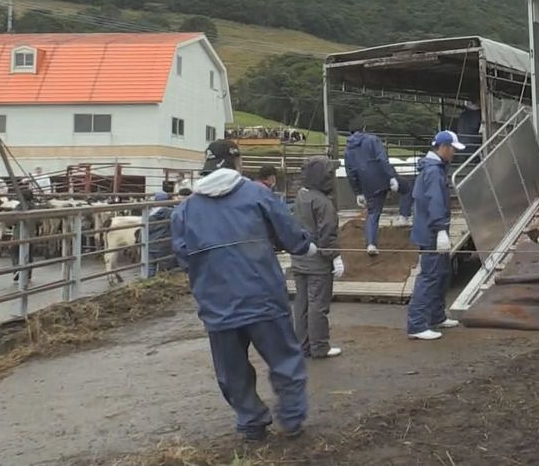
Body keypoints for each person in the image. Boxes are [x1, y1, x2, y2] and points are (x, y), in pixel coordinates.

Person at [171, 140, 319, 443]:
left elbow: (184, 256)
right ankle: (291, 420)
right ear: (236, 163)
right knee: (284, 360)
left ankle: (251, 422)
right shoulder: (256, 193)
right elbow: (288, 231)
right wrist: (305, 245)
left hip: (216, 304)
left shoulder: (185, 210)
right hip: (261, 295)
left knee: (231, 370)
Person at [406, 130, 464, 341]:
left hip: (431, 229)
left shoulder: (435, 168)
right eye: (453, 150)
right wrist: (440, 229)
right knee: (429, 276)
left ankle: (436, 315)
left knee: (441, 273)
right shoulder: (433, 171)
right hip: (431, 231)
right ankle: (417, 324)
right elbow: (434, 201)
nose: (454, 154)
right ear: (444, 147)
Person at [291, 157, 344, 359]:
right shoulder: (323, 202)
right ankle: (320, 346)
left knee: (301, 305)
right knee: (318, 306)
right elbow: (328, 234)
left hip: (300, 259)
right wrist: (335, 257)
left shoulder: (300, 196)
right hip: (318, 263)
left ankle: (302, 346)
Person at [344, 123, 413, 256]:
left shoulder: (348, 149)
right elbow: (382, 159)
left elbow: (350, 172)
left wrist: (358, 192)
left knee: (373, 213)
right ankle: (403, 216)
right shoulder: (372, 140)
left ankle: (371, 244)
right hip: (383, 176)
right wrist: (391, 177)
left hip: (367, 184)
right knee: (407, 189)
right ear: (363, 128)